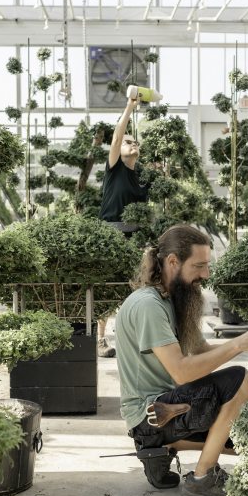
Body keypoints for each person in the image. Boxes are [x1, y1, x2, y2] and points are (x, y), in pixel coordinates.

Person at [114, 224, 248, 496]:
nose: (205, 275)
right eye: (199, 266)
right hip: (152, 415)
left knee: (244, 431)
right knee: (239, 380)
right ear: (173, 261)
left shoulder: (172, 299)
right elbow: (182, 371)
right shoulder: (149, 305)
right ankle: (201, 479)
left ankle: (157, 452)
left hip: (169, 409)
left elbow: (201, 350)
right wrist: (238, 345)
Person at [97, 96, 149, 358]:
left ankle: (132, 338)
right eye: (130, 141)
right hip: (110, 232)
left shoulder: (141, 179)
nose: (132, 144)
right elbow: (117, 138)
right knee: (108, 284)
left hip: (134, 236)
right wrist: (129, 107)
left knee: (137, 286)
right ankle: (100, 339)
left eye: (136, 142)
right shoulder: (115, 168)